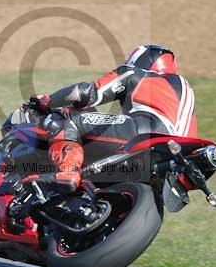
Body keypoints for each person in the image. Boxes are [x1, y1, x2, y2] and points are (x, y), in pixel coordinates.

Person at [28, 43, 197, 193]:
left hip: (142, 132)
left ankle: (68, 171)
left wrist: (49, 101)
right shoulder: (185, 99)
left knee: (68, 121)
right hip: (171, 159)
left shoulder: (138, 74)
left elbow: (86, 93)